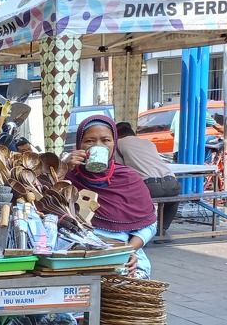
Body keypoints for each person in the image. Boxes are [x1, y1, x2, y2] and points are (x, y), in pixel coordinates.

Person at [64, 115, 158, 278]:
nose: (97, 146)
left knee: (130, 279)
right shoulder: (68, 178)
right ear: (79, 144)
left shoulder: (128, 178)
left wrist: (127, 250)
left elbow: (149, 225)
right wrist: (63, 167)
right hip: (79, 255)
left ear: (114, 143)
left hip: (125, 253)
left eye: (105, 140)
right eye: (89, 141)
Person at [114, 121, 181, 233]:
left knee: (126, 198)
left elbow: (120, 169)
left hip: (150, 186)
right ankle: (162, 229)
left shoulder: (118, 144)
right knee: (173, 200)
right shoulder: (148, 143)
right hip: (172, 183)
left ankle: (136, 230)